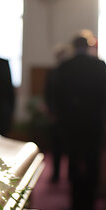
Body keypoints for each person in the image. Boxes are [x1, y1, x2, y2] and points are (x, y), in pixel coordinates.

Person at [53, 34, 106, 210]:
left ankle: (76, 204)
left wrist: (62, 118)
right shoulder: (99, 66)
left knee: (74, 160)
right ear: (89, 46)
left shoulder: (65, 66)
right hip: (93, 121)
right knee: (92, 160)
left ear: (73, 46)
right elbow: (105, 95)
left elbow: (58, 97)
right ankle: (90, 204)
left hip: (72, 122)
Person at [44, 43, 73, 183]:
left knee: (70, 148)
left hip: (68, 115)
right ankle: (55, 174)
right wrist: (51, 111)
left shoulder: (71, 72)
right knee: (56, 146)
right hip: (56, 114)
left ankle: (70, 176)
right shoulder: (53, 72)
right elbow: (48, 94)